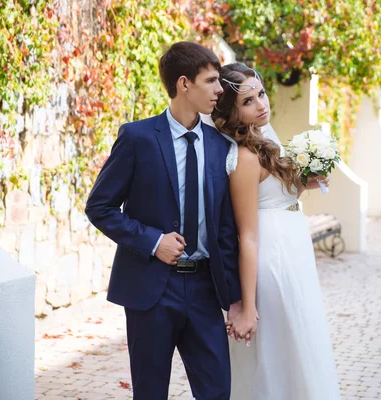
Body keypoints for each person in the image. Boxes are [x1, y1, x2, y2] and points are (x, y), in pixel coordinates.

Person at [85, 42, 241, 400]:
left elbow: (226, 230)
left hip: (205, 289)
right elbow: (100, 207)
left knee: (217, 391)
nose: (220, 90)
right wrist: (153, 242)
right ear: (184, 84)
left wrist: (234, 299)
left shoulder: (221, 146)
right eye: (212, 80)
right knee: (150, 393)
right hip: (151, 290)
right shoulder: (137, 137)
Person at [212, 63, 341, 399]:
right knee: (276, 356)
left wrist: (306, 184)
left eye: (261, 94)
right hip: (271, 258)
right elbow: (248, 235)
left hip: (294, 249)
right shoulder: (243, 158)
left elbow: (281, 198)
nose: (261, 105)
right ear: (232, 112)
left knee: (300, 346)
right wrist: (247, 305)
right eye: (248, 102)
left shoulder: (267, 137)